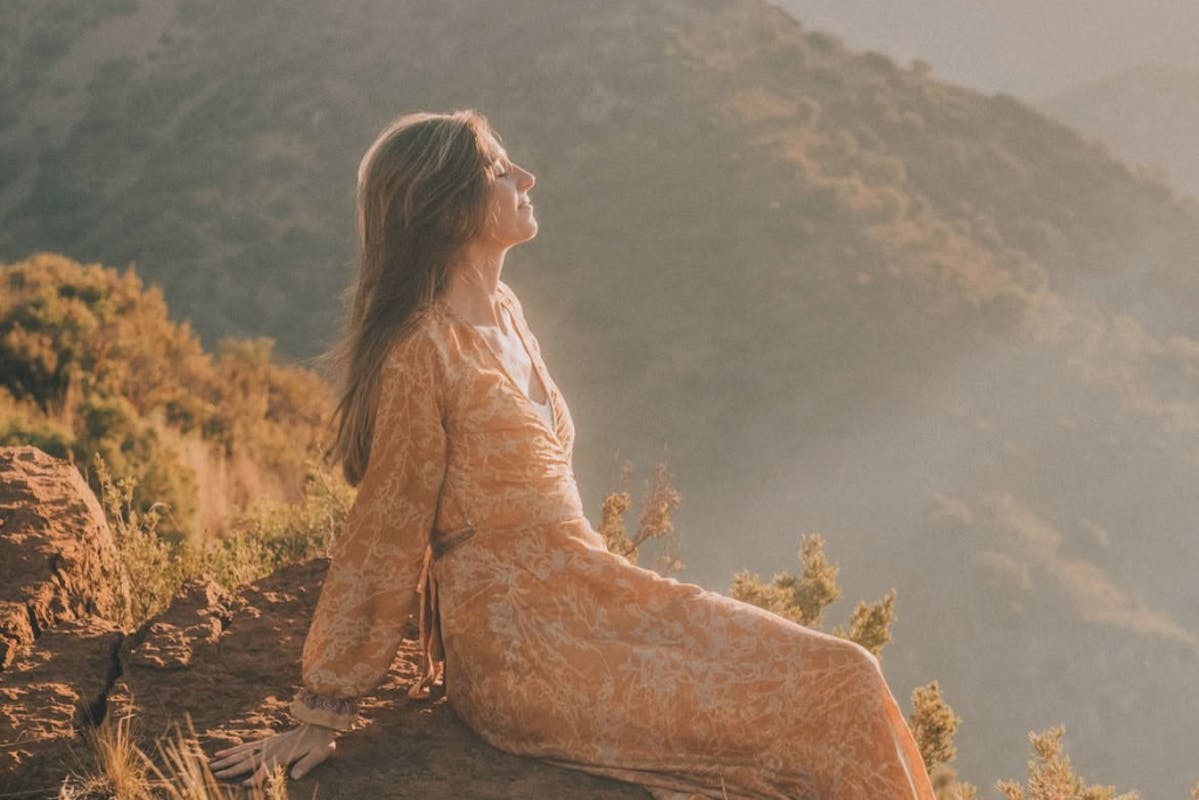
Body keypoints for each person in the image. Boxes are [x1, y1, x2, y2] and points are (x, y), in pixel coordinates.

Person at [209, 109, 935, 800]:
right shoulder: (420, 351)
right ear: (445, 208)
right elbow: (386, 525)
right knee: (833, 683)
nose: (525, 174)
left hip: (597, 602)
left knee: (845, 674)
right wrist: (323, 706)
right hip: (523, 649)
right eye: (497, 168)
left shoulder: (510, 317)